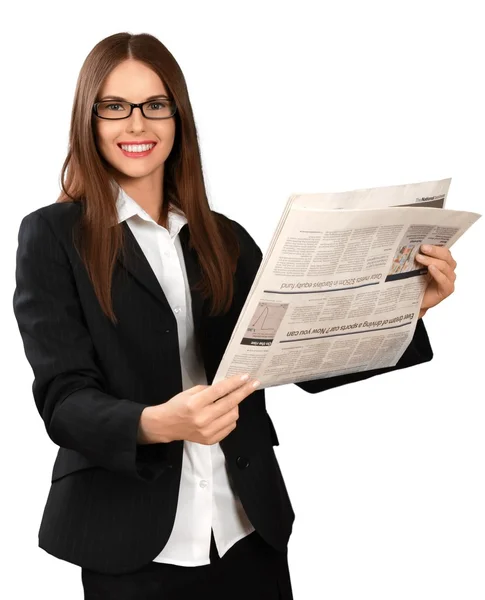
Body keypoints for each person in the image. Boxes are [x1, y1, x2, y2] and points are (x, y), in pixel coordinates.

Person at [12, 32, 457, 600]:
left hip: (249, 527)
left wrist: (404, 308)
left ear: (178, 116)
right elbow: (64, 400)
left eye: (155, 105)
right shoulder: (52, 236)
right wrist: (160, 423)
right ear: (88, 119)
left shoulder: (226, 239)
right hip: (131, 538)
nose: (137, 125)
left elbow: (299, 357)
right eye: (114, 107)